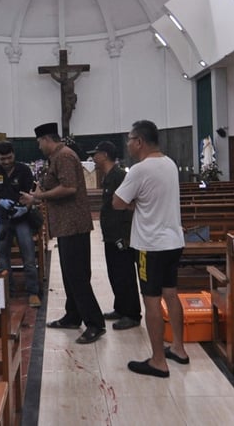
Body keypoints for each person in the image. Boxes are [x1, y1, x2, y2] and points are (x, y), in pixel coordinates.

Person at [113, 120, 188, 377]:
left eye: (130, 139)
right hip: (173, 241)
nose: (128, 144)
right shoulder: (170, 164)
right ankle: (178, 347)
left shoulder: (139, 169)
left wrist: (136, 205)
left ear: (140, 142)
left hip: (150, 245)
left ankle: (158, 360)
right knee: (171, 294)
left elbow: (117, 202)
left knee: (152, 301)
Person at [20, 122, 104, 345]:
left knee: (77, 275)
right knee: (69, 274)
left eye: (39, 142)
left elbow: (70, 188)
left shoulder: (64, 156)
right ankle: (73, 316)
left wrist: (39, 197)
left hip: (73, 224)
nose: (39, 147)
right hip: (66, 224)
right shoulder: (58, 156)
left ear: (47, 139)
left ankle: (95, 323)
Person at [88, 140, 141, 330]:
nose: (93, 158)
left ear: (104, 155)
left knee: (124, 273)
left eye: (95, 154)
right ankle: (120, 308)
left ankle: (132, 314)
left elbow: (127, 205)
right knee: (115, 273)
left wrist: (124, 235)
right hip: (111, 234)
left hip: (120, 234)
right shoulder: (109, 176)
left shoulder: (118, 176)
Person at [0, 141, 42, 308]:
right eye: (2, 158)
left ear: (14, 155)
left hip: (22, 218)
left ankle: (33, 292)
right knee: (2, 257)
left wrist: (25, 209)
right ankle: (7, 291)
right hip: (2, 218)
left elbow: (32, 195)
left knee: (29, 256)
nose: (6, 161)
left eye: (9, 157)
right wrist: (0, 201)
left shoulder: (23, 170)